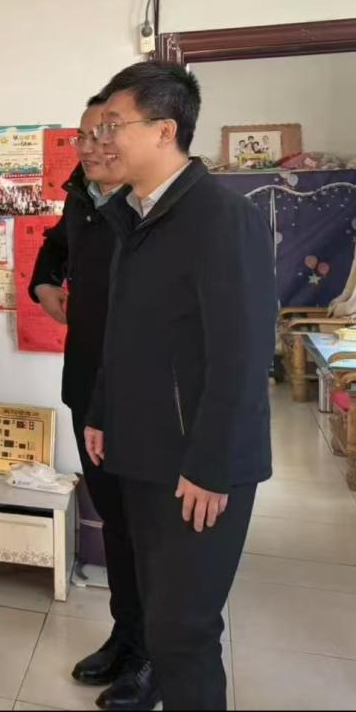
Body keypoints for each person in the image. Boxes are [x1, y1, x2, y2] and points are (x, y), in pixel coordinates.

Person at [83, 62, 276, 711]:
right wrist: (102, 410)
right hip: (142, 451)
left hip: (198, 463)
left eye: (114, 125)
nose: (101, 140)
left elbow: (243, 354)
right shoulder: (132, 216)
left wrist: (213, 464)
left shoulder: (221, 217)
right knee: (159, 616)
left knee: (184, 631)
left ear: (165, 130)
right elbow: (122, 333)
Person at [31, 96, 156, 710]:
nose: (90, 147)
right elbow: (57, 245)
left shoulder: (156, 202)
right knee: (115, 520)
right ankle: (126, 636)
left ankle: (155, 655)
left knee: (149, 529)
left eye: (105, 132)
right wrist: (44, 282)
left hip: (143, 393)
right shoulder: (83, 194)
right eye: (83, 135)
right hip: (89, 385)